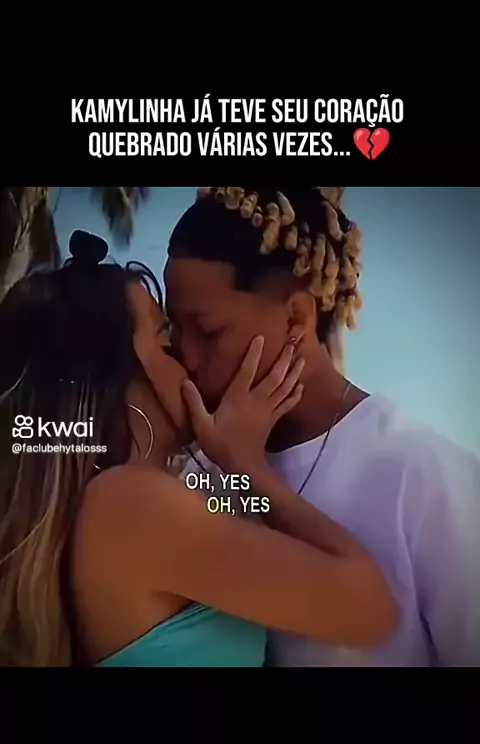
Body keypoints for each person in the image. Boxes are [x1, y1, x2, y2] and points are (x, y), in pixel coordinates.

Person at [0, 229, 396, 668]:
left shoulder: (109, 506)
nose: (188, 360)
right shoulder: (130, 503)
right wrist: (245, 465)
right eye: (166, 339)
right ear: (119, 376)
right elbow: (370, 609)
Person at [165, 185, 480, 667]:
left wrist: (247, 469)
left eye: (208, 332)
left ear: (297, 317)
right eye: (174, 330)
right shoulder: (197, 475)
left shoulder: (424, 475)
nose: (186, 357)